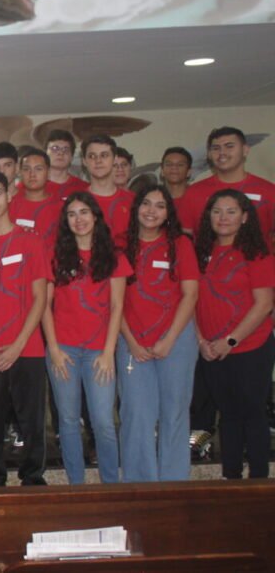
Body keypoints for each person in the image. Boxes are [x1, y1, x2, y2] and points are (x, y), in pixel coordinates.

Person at [42, 192, 131, 485]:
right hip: (63, 349)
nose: (78, 220)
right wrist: (53, 348)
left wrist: (108, 352)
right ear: (66, 222)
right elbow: (44, 304)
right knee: (68, 422)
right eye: (72, 214)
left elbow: (118, 306)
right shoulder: (56, 255)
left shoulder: (114, 257)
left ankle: (110, 485)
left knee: (103, 423)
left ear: (95, 217)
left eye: (84, 213)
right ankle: (75, 485)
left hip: (98, 352)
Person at [0, 170, 49, 487]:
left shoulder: (30, 241)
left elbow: (40, 297)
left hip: (27, 348)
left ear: (9, 194)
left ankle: (33, 479)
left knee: (32, 421)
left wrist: (18, 345)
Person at [118, 185, 199, 482]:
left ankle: (174, 483)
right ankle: (140, 485)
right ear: (136, 207)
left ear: (168, 213)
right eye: (146, 203)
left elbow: (190, 295)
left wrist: (168, 341)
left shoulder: (180, 244)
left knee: (174, 413)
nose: (152, 211)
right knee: (136, 414)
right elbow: (114, 303)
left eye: (160, 206)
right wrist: (131, 341)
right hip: (131, 343)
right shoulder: (120, 245)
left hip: (176, 341)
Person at [194, 190, 275, 479]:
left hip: (250, 347)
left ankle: (259, 482)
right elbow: (191, 301)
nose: (223, 218)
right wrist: (202, 341)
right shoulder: (201, 252)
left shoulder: (256, 253)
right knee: (227, 414)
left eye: (231, 211)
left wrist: (230, 341)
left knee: (251, 413)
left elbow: (264, 304)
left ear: (244, 217)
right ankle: (230, 477)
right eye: (217, 211)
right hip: (211, 349)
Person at [179, 126, 275, 242]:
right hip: (209, 259)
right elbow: (184, 239)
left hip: (257, 258)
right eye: (216, 148)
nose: (222, 153)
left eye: (229, 146)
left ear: (245, 150)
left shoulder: (269, 191)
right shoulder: (193, 193)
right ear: (209, 154)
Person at [82, 135, 134, 249]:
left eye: (104, 155)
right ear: (84, 161)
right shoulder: (76, 203)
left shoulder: (134, 201)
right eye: (92, 156)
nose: (98, 161)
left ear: (115, 159)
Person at [10, 148, 62, 245]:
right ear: (20, 172)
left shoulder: (61, 207)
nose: (32, 174)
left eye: (38, 169)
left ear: (48, 172)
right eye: (26, 169)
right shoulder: (9, 206)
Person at [44, 129, 89, 200]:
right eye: (55, 148)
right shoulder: (32, 186)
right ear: (45, 153)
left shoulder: (84, 189)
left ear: (71, 157)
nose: (60, 153)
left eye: (66, 149)